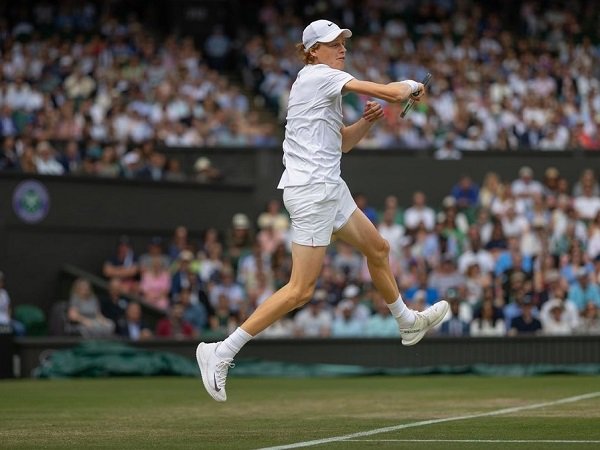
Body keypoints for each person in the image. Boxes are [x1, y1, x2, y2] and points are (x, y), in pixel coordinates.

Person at [196, 19, 449, 402]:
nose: (342, 48)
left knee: (378, 249)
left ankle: (406, 322)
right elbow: (390, 92)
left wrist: (365, 122)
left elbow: (342, 144)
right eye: (333, 43)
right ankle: (222, 351)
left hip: (330, 187)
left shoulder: (321, 87)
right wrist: (412, 87)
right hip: (313, 192)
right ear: (314, 50)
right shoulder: (317, 76)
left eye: (343, 42)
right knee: (301, 290)